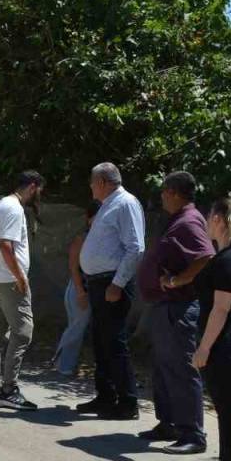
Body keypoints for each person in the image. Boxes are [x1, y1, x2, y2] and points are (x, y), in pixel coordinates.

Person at [170, 196, 231, 461]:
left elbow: (221, 309)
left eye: (209, 215)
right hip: (225, 341)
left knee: (228, 409)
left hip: (225, 342)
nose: (205, 220)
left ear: (219, 219)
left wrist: (203, 348)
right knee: (223, 407)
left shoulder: (230, 259)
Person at [137, 171, 214, 454]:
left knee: (181, 369)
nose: (161, 196)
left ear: (173, 192)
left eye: (163, 191)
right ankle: (168, 423)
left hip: (179, 307)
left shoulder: (189, 220)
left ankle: (192, 434)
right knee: (163, 367)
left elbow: (205, 255)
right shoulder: (177, 219)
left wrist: (178, 280)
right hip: (165, 306)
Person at [77, 162, 145, 420]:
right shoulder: (108, 205)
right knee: (101, 341)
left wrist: (117, 283)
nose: (91, 187)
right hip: (99, 283)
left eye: (93, 182)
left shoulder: (126, 203)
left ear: (104, 182)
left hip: (112, 283)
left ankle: (127, 402)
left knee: (114, 342)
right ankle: (106, 396)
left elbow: (135, 247)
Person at [0, 170, 46, 411]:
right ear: (32, 186)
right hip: (10, 281)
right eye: (39, 190)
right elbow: (6, 246)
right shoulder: (14, 208)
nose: (38, 195)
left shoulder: (0, 204)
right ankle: (9, 390)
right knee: (22, 333)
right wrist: (20, 277)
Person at [50, 200, 101, 378]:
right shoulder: (82, 238)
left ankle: (65, 364)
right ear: (89, 218)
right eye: (97, 216)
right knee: (77, 328)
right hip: (79, 289)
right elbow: (73, 267)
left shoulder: (100, 240)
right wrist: (80, 292)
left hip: (89, 290)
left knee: (78, 327)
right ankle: (61, 363)